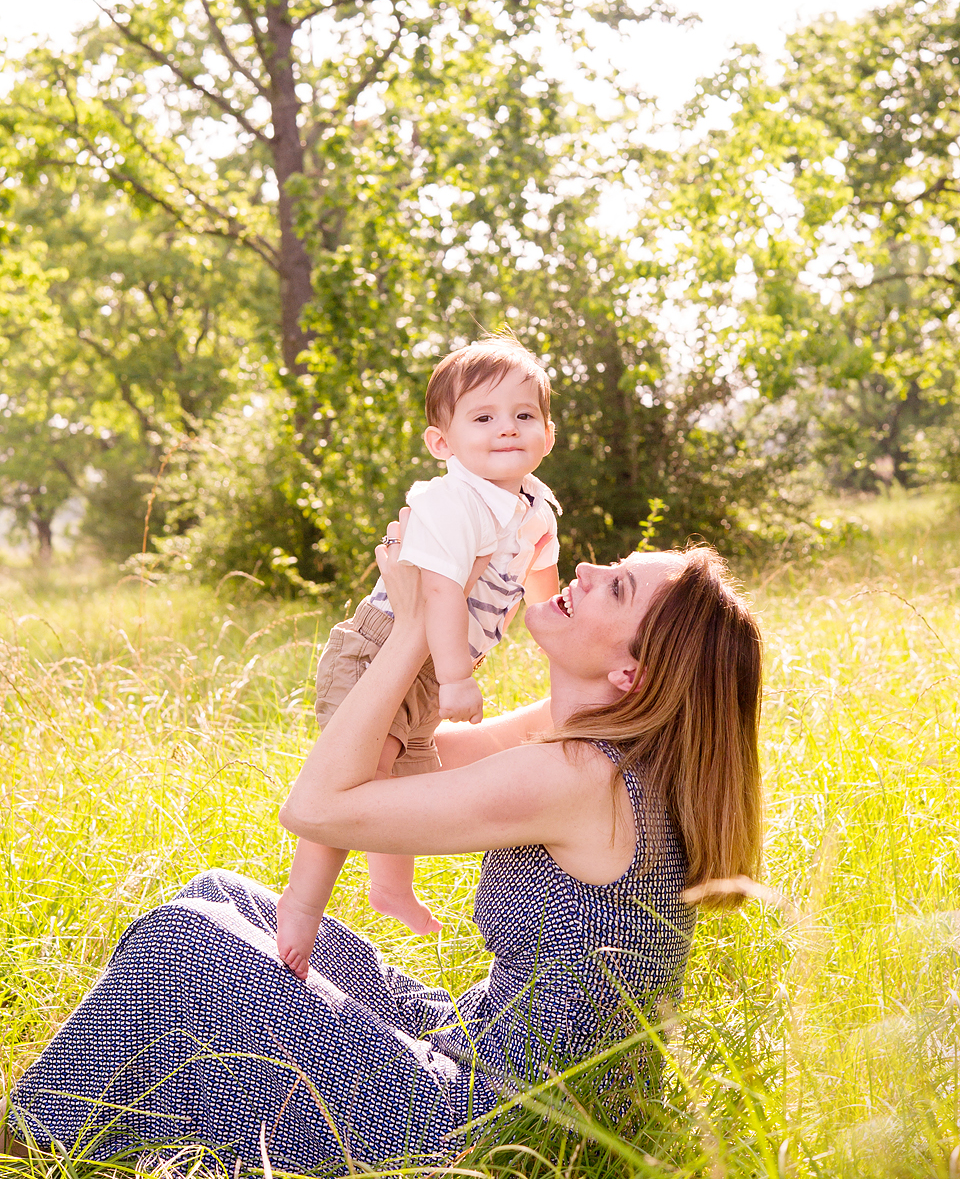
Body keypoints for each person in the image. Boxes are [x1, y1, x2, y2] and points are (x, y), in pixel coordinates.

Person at [6, 525, 763, 1176]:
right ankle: (113, 1126)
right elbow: (399, 755)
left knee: (186, 945)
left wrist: (410, 628)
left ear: (629, 672)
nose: (589, 573)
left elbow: (318, 807)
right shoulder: (593, 742)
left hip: (493, 1132)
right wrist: (440, 596)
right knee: (226, 896)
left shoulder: (575, 777)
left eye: (618, 589)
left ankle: (26, 1147)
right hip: (493, 1054)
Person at [278, 337, 562, 973]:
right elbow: (436, 592)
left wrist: (555, 627)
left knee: (405, 781)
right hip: (383, 650)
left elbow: (542, 577)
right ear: (443, 443)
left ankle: (389, 887)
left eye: (523, 415)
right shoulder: (452, 501)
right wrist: (457, 679)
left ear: (547, 433)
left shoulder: (535, 506)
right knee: (359, 776)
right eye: (482, 418)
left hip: (430, 670)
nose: (505, 429)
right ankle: (300, 908)